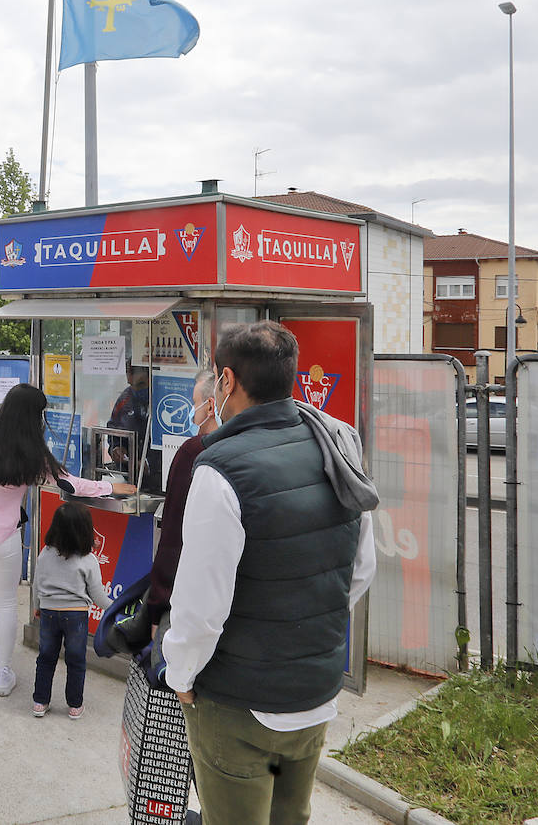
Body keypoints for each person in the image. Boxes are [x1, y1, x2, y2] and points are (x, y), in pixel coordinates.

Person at [163, 322, 377, 825]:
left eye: (217, 380)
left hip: (239, 705)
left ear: (228, 382)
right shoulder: (336, 447)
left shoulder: (219, 470)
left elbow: (200, 607)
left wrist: (182, 675)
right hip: (315, 695)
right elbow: (360, 569)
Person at [0, 383, 135, 696]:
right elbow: (71, 485)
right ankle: (2, 675)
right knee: (6, 604)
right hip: (5, 538)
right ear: (36, 415)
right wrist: (110, 488)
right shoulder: (35, 453)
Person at [145, 370, 218, 630]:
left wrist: (157, 604)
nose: (190, 409)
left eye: (193, 401)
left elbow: (173, 534)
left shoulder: (192, 452)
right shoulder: (248, 448)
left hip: (189, 599)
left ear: (210, 406)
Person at [31, 501, 112, 719]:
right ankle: (75, 705)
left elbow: (37, 584)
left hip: (48, 612)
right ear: (85, 530)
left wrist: (37, 607)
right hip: (76, 616)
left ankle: (40, 701)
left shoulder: (45, 553)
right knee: (76, 660)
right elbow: (98, 596)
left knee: (46, 657)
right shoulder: (88, 560)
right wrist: (117, 609)